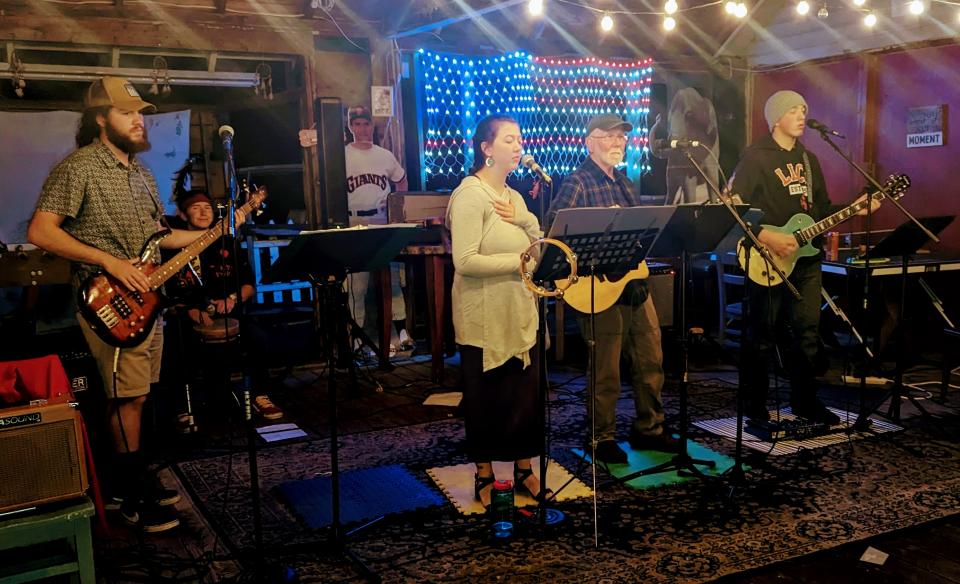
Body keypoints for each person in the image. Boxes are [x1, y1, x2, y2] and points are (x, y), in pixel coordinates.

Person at [26, 77, 245, 533]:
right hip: (107, 303)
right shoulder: (79, 168)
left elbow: (161, 240)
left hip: (148, 301)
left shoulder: (143, 175)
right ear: (101, 119)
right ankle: (129, 497)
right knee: (127, 396)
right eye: (127, 113)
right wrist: (108, 260)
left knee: (138, 396)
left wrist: (218, 231)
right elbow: (41, 231)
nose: (138, 120)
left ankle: (130, 480)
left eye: (140, 113)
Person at [728, 90, 880, 424]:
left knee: (807, 333)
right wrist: (767, 236)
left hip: (807, 259)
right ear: (776, 118)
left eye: (803, 110)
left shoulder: (809, 161)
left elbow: (822, 210)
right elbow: (732, 207)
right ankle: (753, 404)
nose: (801, 116)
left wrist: (856, 209)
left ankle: (805, 401)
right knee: (762, 334)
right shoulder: (755, 157)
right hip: (767, 258)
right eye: (794, 110)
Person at [546, 113, 676, 465]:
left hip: (633, 284)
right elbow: (556, 237)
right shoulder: (577, 183)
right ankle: (600, 436)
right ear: (590, 142)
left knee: (651, 359)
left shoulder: (625, 183)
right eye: (610, 136)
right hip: (597, 288)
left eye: (621, 137)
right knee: (606, 368)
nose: (618, 142)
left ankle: (650, 427)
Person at [446, 114, 550, 508]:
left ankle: (524, 469)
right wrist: (521, 262)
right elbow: (466, 261)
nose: (518, 145)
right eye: (509, 139)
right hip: (484, 317)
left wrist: (527, 223)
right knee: (487, 397)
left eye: (520, 138)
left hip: (519, 312)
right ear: (486, 149)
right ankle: (484, 474)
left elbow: (539, 247)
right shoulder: (471, 195)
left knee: (523, 395)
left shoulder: (515, 197)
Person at [164, 185, 283, 423]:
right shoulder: (171, 249)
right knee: (173, 346)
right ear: (183, 215)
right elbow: (164, 293)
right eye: (195, 209)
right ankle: (179, 406)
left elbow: (249, 285)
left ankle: (260, 395)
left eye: (207, 208)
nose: (203, 213)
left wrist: (232, 299)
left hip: (230, 314)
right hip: (187, 317)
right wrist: (190, 311)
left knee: (259, 338)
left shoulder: (226, 244)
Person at [344, 105, 412, 355]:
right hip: (354, 223)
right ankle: (357, 338)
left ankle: (402, 332)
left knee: (392, 279)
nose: (363, 128)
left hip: (382, 221)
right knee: (356, 285)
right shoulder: (343, 155)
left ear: (372, 126)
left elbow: (401, 179)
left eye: (366, 124)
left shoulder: (384, 155)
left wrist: (396, 201)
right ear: (350, 127)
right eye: (358, 124)